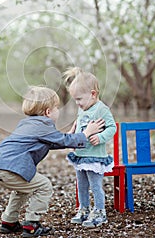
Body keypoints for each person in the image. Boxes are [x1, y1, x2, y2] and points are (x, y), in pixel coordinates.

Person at [0, 86, 105, 237]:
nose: (58, 111)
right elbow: (60, 140)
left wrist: (71, 138)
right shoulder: (44, 125)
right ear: (48, 112)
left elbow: (53, 142)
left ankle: (9, 222)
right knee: (43, 186)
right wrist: (86, 133)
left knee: (23, 188)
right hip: (10, 168)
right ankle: (32, 225)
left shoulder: (27, 123)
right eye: (57, 108)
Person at [63, 67, 116, 228]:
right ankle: (84, 208)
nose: (78, 103)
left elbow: (112, 127)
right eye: (75, 100)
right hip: (80, 154)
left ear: (93, 94)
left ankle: (100, 211)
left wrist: (100, 137)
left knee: (95, 185)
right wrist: (73, 131)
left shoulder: (102, 109)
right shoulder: (82, 109)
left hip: (95, 156)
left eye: (79, 99)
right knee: (82, 185)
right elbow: (80, 123)